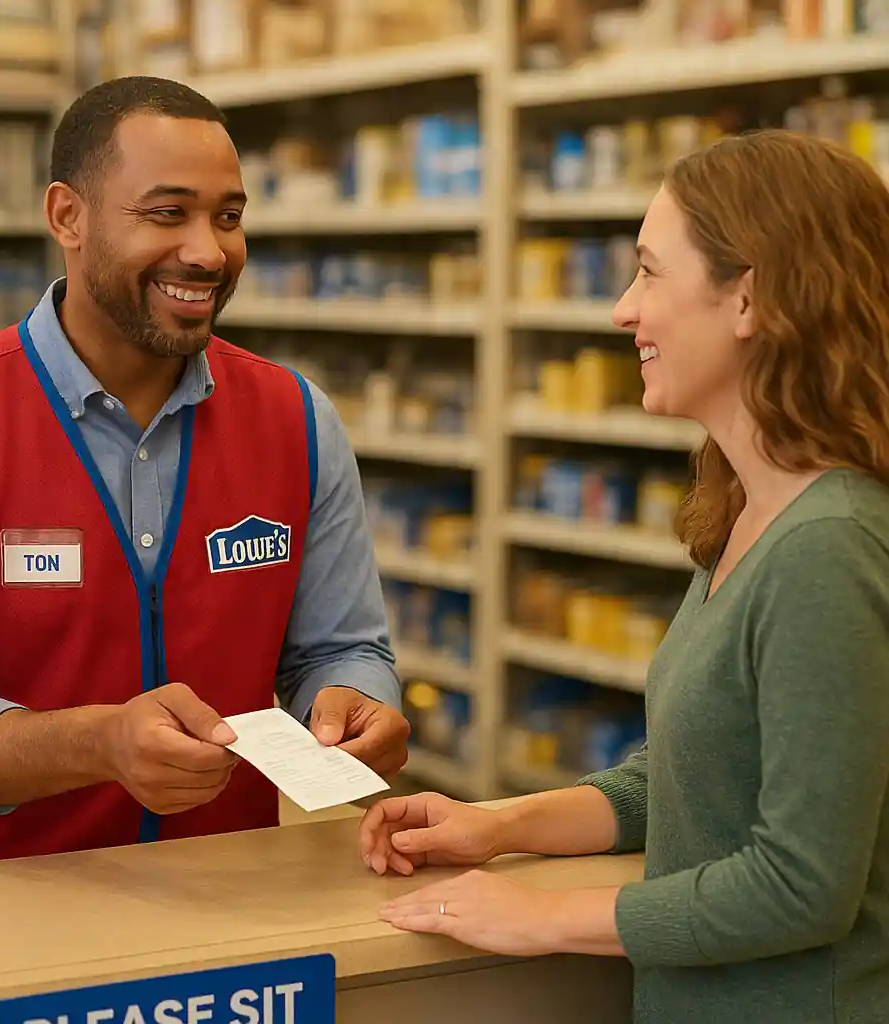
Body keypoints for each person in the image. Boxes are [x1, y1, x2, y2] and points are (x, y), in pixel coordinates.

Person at [359, 129, 889, 1023]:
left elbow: (802, 885)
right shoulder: (746, 513)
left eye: (649, 272)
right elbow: (684, 783)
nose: (621, 310)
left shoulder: (828, 548)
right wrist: (497, 825)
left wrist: (545, 917)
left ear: (749, 298)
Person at [0, 76, 410, 872]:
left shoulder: (297, 420)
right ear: (67, 216)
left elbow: (341, 647)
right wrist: (98, 743)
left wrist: (359, 700)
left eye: (229, 216)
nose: (208, 251)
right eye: (167, 213)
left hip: (227, 900)